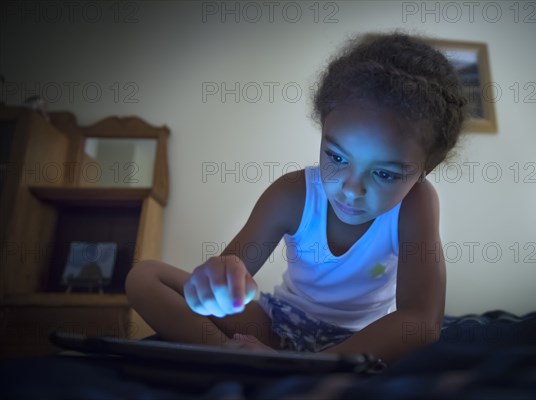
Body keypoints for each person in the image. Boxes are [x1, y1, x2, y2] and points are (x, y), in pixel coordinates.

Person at [125, 31, 468, 364]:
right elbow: (230, 278)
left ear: (427, 167)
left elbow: (422, 320)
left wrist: (319, 363)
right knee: (144, 277)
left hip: (357, 342)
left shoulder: (416, 205)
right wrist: (219, 278)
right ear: (324, 127)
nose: (350, 188)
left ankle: (274, 370)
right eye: (337, 157)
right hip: (278, 326)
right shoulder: (293, 194)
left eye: (384, 174)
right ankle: (242, 360)